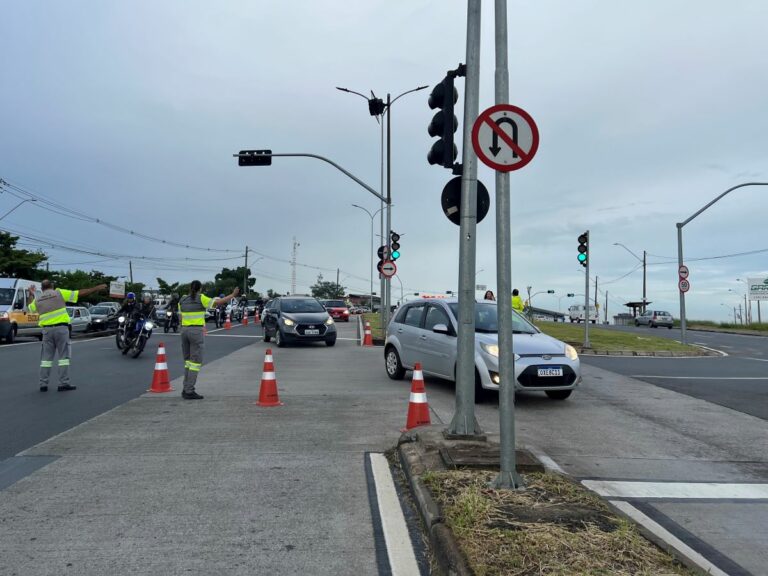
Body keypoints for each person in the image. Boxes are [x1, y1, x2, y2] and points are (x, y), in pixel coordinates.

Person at [27, 279, 108, 392]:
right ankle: (63, 383)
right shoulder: (59, 293)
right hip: (61, 329)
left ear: (42, 288)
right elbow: (80, 293)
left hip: (46, 331)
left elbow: (30, 308)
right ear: (52, 286)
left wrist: (31, 294)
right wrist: (96, 288)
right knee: (63, 358)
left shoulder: (38, 299)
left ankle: (43, 384)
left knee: (46, 360)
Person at [178, 281, 239, 400]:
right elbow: (219, 302)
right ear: (200, 289)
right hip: (196, 331)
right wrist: (233, 295)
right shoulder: (201, 298)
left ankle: (185, 388)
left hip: (184, 331)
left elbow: (180, 316)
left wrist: (183, 327)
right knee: (195, 363)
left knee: (188, 362)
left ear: (190, 288)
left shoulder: (183, 299)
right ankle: (189, 391)